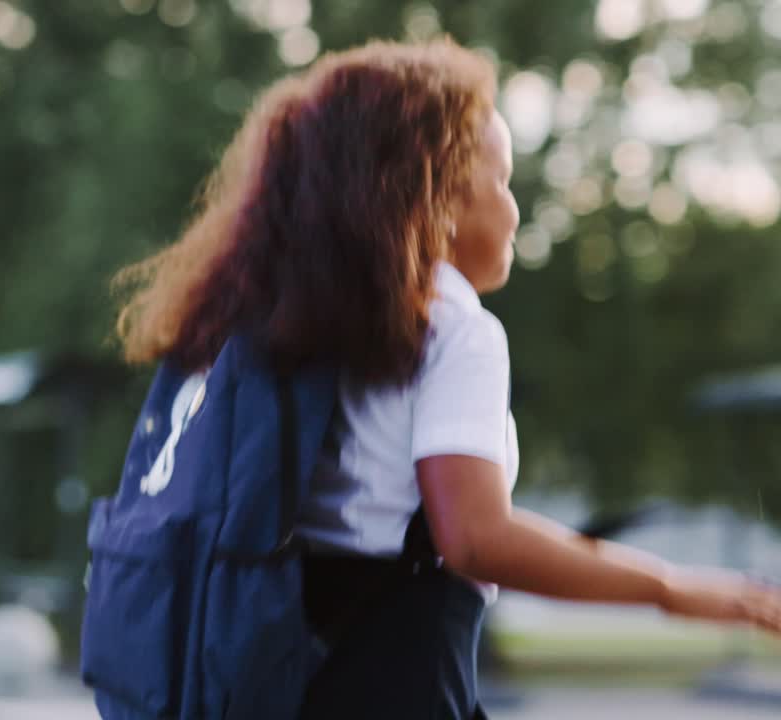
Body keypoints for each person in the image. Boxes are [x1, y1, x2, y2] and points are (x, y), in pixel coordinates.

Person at [112, 38, 781, 719]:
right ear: (435, 197)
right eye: (502, 179)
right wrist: (667, 590)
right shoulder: (451, 329)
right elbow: (474, 536)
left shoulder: (262, 324)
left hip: (271, 679)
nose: (516, 211)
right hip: (395, 676)